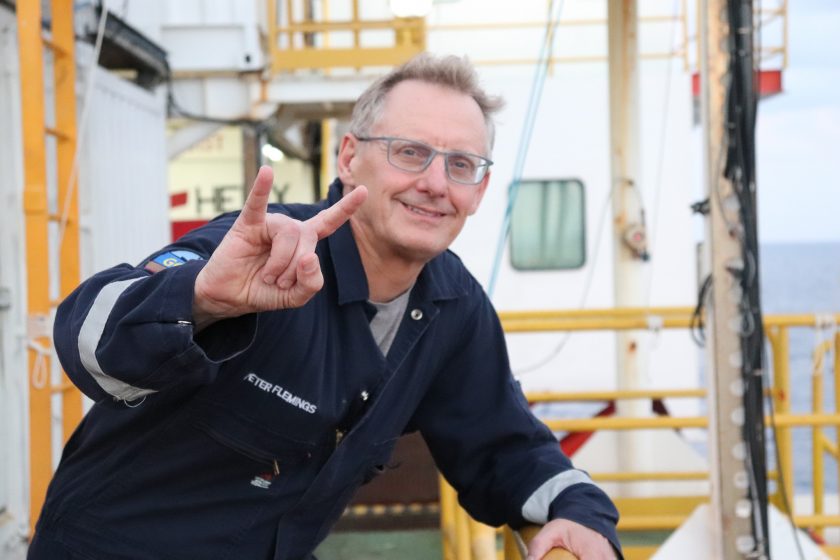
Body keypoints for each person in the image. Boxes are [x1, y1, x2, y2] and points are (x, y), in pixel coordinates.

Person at [30, 54, 621, 560]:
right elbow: (89, 338)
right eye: (410, 152)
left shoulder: (452, 307)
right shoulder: (267, 250)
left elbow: (503, 446)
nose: (437, 184)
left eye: (461, 164)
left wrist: (580, 512)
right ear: (348, 157)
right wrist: (201, 298)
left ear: (480, 190)